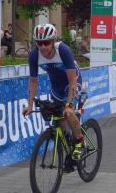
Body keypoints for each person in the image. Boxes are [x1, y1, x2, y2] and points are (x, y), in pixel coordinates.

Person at [22, 23, 85, 160]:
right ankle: (69, 146)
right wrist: (30, 105)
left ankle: (80, 142)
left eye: (46, 43)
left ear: (53, 40)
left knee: (68, 112)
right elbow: (33, 81)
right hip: (56, 86)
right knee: (59, 119)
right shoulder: (34, 55)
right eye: (39, 43)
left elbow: (72, 79)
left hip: (72, 81)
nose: (43, 47)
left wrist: (69, 104)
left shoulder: (63, 50)